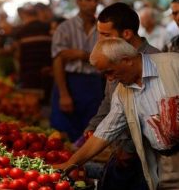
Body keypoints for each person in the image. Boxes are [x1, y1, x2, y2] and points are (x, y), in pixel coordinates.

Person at [55, 37, 179, 190]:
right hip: (164, 163)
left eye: (110, 71)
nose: (110, 79)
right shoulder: (122, 92)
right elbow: (104, 132)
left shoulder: (173, 64)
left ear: (127, 60)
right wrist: (70, 164)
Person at [85, 2, 160, 190]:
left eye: (106, 35)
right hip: (119, 149)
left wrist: (128, 148)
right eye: (99, 34)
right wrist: (94, 127)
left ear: (126, 34)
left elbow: (151, 115)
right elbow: (109, 101)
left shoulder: (154, 61)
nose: (100, 41)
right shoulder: (112, 57)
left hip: (145, 157)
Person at [50, 0, 103, 142]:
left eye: (95, 0)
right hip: (69, 82)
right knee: (64, 134)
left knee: (90, 133)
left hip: (95, 85)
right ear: (78, 1)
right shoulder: (65, 28)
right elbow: (58, 61)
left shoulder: (102, 30)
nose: (92, 4)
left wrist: (82, 55)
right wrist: (64, 94)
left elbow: (106, 59)